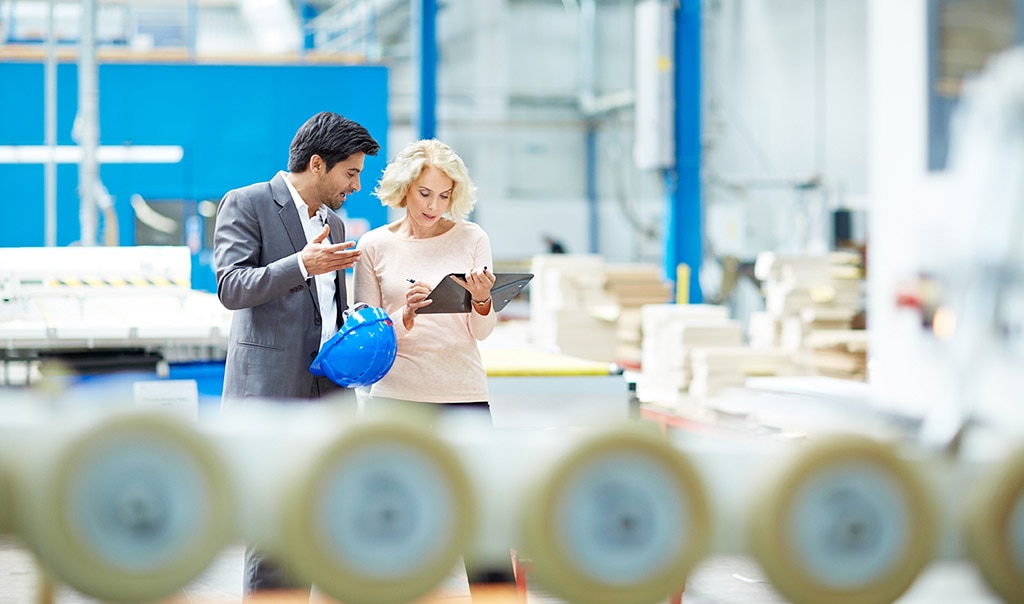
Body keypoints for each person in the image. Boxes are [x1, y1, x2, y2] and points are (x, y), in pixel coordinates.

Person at [212, 111, 380, 596]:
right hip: (272, 390)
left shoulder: (334, 220)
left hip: (328, 392)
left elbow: (327, 309)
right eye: (350, 173)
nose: (354, 185)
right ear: (316, 164)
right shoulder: (247, 204)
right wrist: (300, 265)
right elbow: (231, 286)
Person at [352, 138, 517, 599]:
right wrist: (403, 316)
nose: (434, 205)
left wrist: (483, 300)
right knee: (389, 519)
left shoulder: (471, 238)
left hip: (462, 394)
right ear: (404, 189)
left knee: (483, 521)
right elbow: (366, 339)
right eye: (425, 194)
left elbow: (480, 333)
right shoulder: (374, 246)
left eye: (444, 196)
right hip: (395, 399)